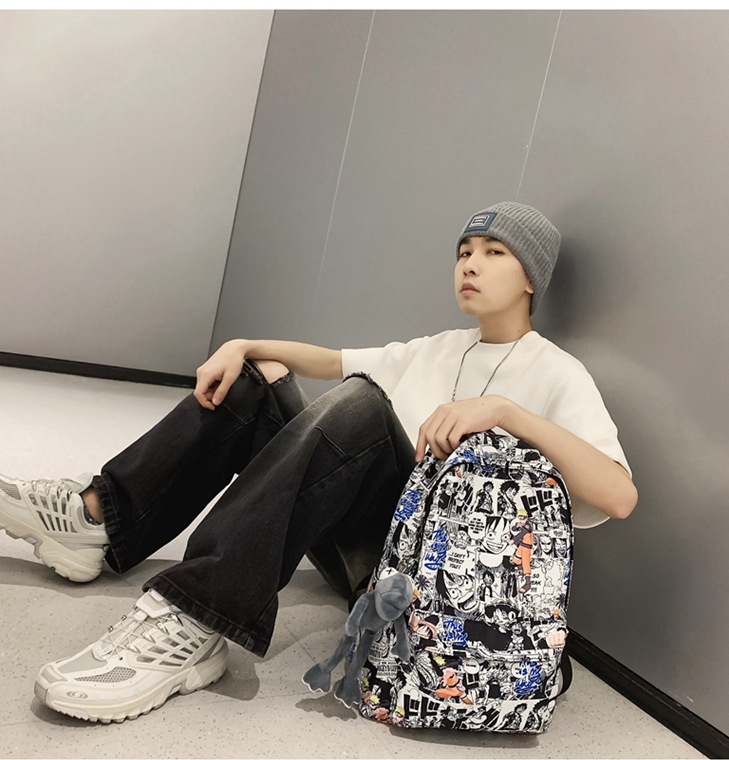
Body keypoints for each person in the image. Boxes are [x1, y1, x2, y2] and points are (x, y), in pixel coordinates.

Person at [0, 202, 637, 725]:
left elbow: (618, 495)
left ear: (531, 279)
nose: (470, 264)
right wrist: (243, 344)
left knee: (361, 405)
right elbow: (328, 360)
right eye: (464, 251)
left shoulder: (557, 372)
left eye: (494, 252)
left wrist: (505, 412)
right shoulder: (440, 348)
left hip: (419, 582)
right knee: (256, 380)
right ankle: (101, 518)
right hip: (361, 545)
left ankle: (197, 615)